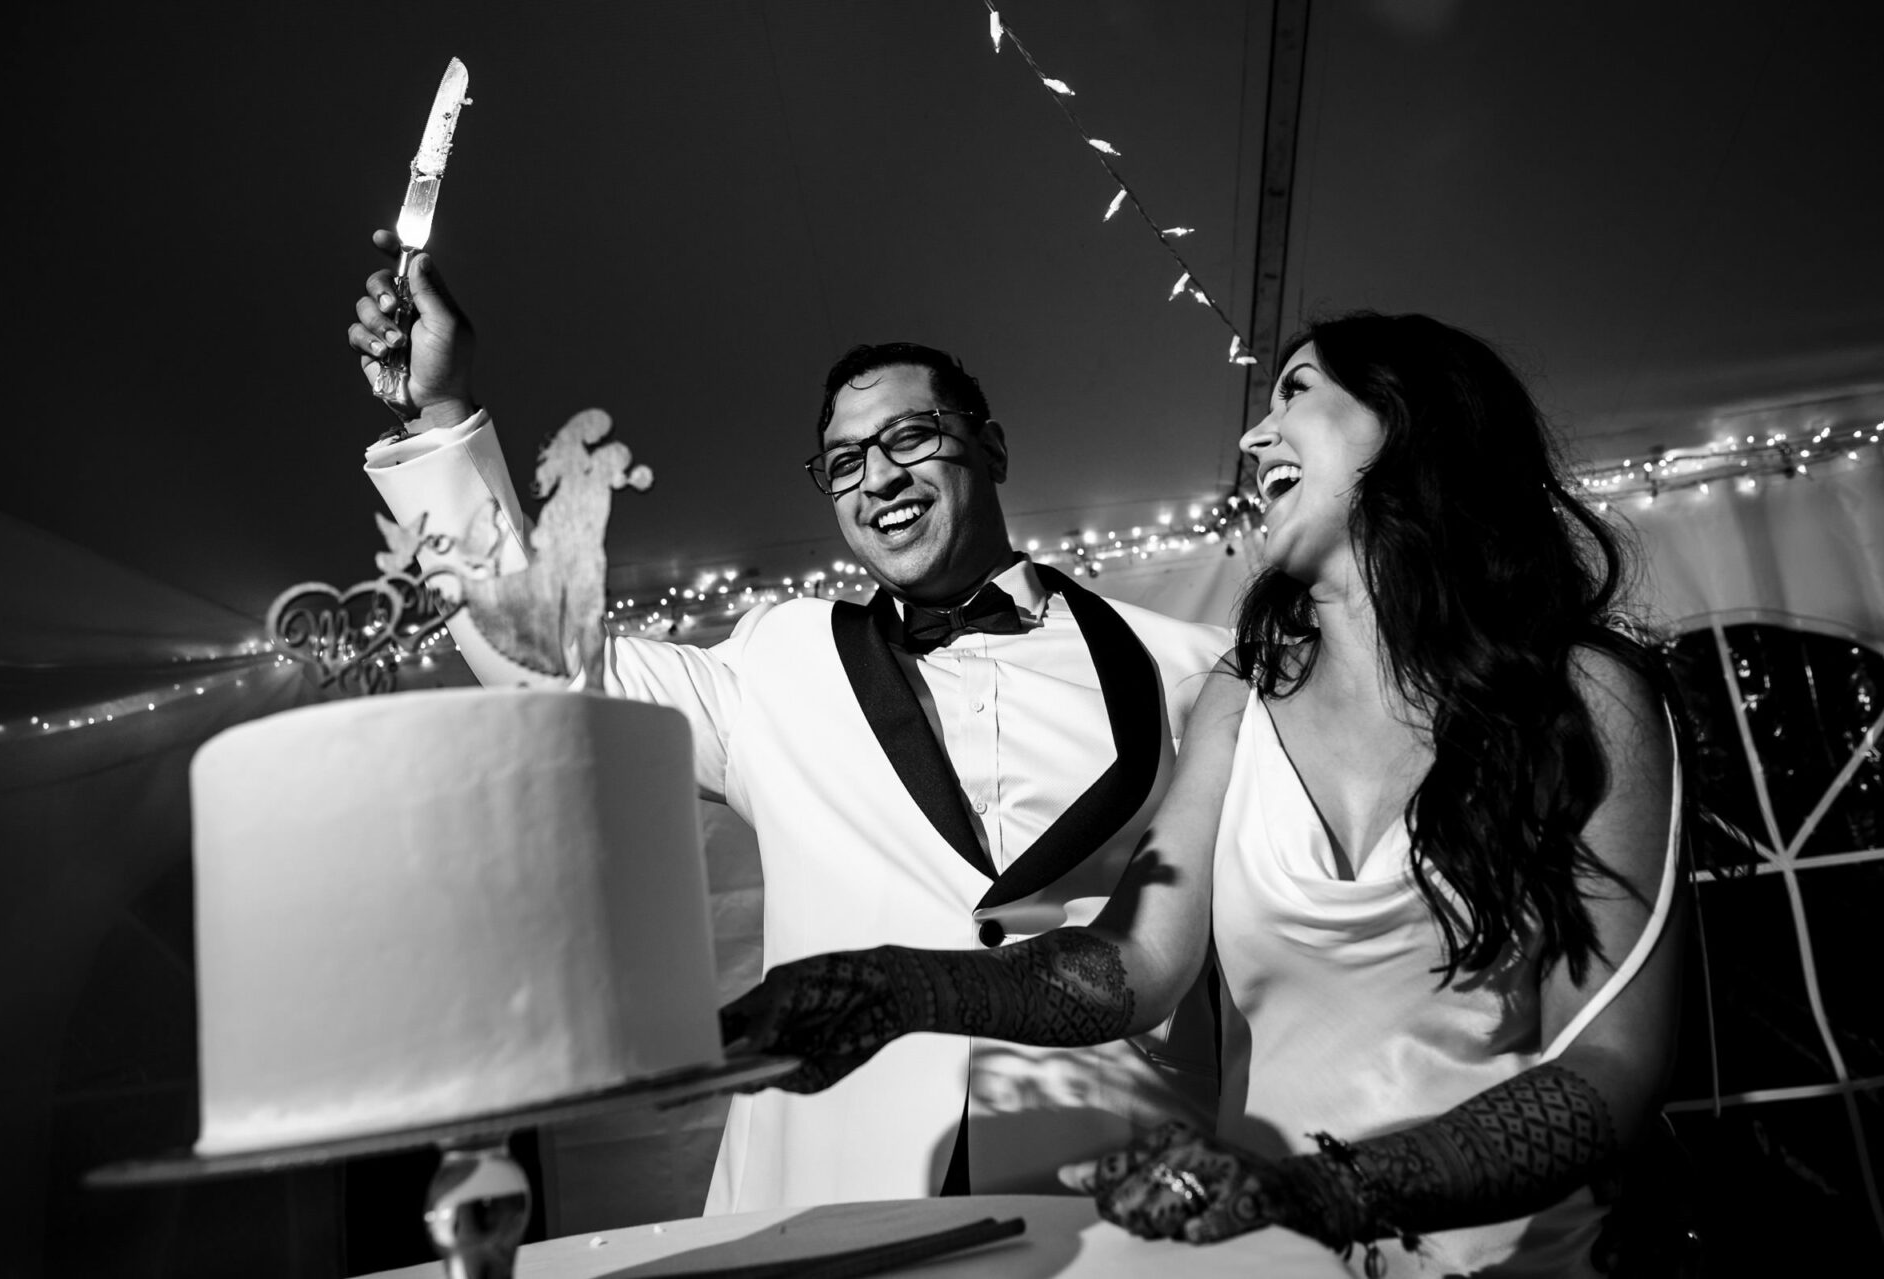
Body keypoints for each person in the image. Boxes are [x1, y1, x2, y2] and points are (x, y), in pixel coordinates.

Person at [723, 312, 1688, 1276]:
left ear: (1408, 421)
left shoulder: (1582, 697)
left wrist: (1326, 1189)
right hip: (1272, 1257)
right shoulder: (1241, 695)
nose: (1252, 436)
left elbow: (1612, 1068)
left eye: (1296, 393)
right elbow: (1136, 960)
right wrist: (900, 986)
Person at [343, 232, 1234, 1213]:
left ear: (994, 443)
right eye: (845, 461)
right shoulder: (775, 659)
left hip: (1110, 1184)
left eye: (909, 437)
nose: (877, 479)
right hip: (835, 1188)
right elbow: (546, 662)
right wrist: (443, 411)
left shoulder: (1190, 671)